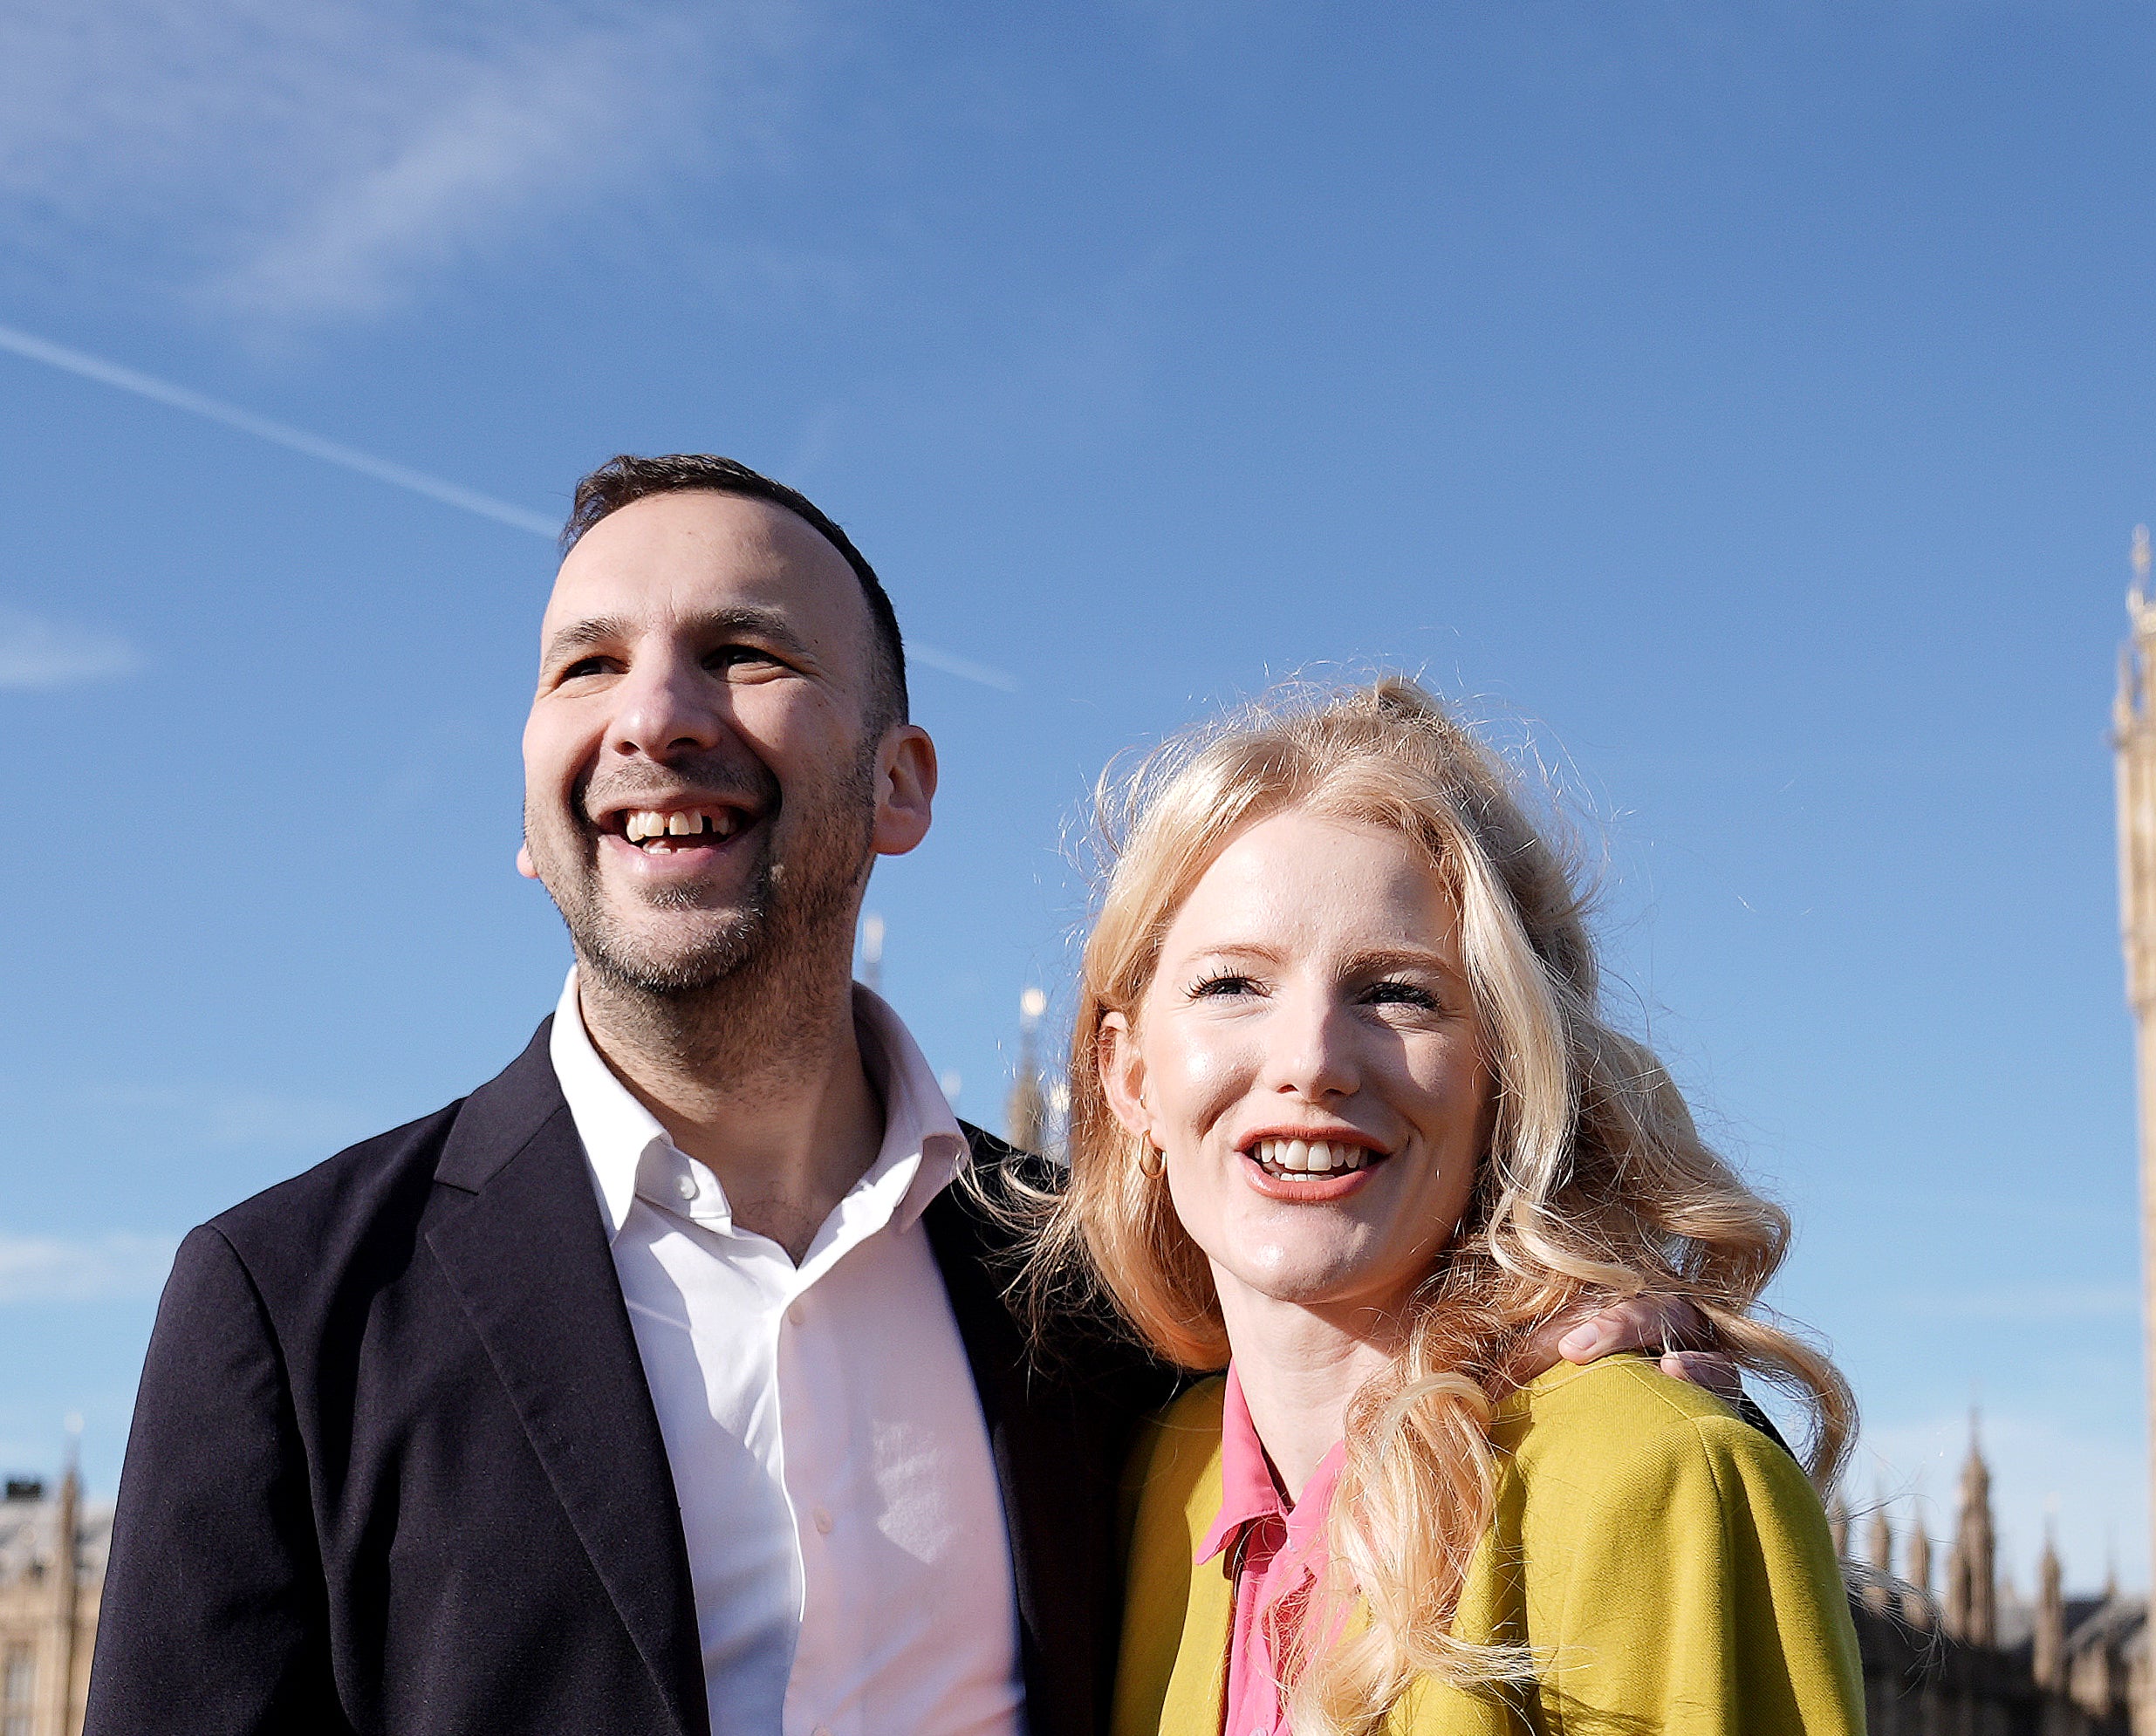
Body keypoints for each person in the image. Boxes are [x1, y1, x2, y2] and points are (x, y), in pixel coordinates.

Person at [86, 456, 1714, 1736]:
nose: (655, 715)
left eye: (742, 652)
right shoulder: (289, 1308)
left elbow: (1341, 1384)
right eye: (587, 666)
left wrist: (1537, 1333)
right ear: (533, 808)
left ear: (900, 783)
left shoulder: (1098, 1294)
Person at [1022, 679, 1866, 1735]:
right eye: (1233, 983)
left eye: (1397, 992)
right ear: (1129, 1074)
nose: (1311, 1062)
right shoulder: (1160, 1481)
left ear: (1508, 1076)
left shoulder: (1648, 1478)